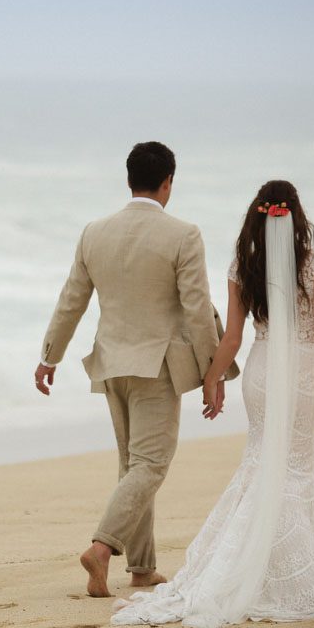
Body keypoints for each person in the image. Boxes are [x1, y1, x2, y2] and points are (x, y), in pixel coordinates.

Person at [111, 179, 314, 628]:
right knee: (296, 465)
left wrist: (212, 379)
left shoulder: (243, 266)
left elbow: (233, 338)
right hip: (300, 373)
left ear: (257, 215)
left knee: (263, 462)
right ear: (296, 216)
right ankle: (293, 574)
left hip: (260, 373)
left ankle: (250, 562)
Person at [35, 141, 238, 598]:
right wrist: (214, 375)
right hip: (156, 369)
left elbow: (71, 302)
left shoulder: (94, 232)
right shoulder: (183, 235)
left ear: (129, 180)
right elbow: (197, 311)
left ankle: (143, 570)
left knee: (132, 467)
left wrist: (50, 357)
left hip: (109, 365)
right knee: (151, 465)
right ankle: (102, 548)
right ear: (168, 183)